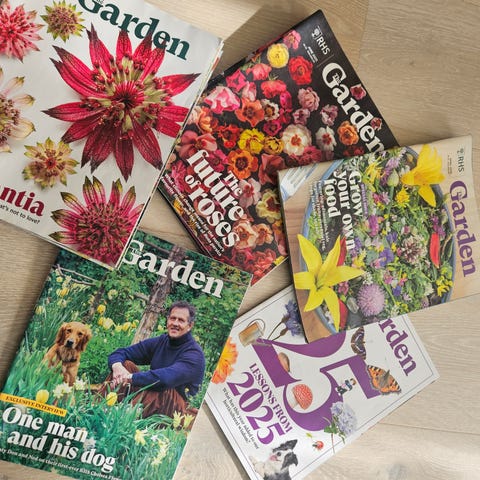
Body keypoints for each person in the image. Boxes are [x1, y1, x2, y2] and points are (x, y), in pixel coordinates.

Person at [104, 300, 205, 418]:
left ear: (190, 326)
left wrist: (130, 378)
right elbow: (121, 352)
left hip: (178, 411)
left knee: (158, 385)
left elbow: (165, 379)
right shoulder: (162, 341)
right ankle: (100, 409)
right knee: (126, 365)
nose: (175, 323)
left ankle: (125, 419)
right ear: (167, 320)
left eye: (181, 320)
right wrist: (118, 368)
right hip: (156, 399)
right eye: (172, 318)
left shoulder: (194, 354)